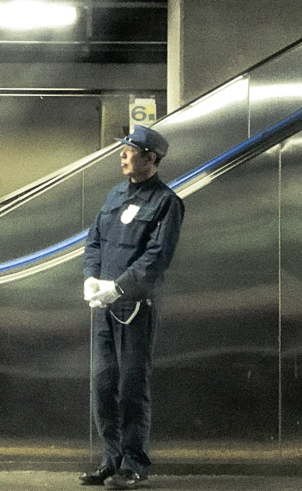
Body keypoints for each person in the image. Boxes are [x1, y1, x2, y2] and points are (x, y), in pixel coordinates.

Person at [78, 125, 184, 490]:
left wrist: (117, 287)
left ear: (151, 159)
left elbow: (156, 258)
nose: (122, 155)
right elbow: (94, 240)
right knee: (103, 383)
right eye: (123, 149)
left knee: (133, 385)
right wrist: (92, 278)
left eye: (130, 150)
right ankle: (111, 460)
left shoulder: (167, 202)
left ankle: (134, 465)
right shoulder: (114, 194)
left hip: (136, 308)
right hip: (104, 309)